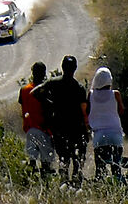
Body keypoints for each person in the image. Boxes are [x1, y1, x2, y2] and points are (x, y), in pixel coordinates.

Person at [42, 55, 89, 183]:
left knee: (63, 158)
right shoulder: (79, 88)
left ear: (62, 67)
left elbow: (35, 92)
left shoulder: (53, 83)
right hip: (76, 128)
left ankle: (64, 183)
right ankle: (76, 183)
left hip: (59, 128)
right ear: (75, 68)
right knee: (77, 159)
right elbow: (84, 111)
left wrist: (50, 103)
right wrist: (86, 129)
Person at [87, 66, 126, 179]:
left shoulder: (91, 94)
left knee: (100, 167)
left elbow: (88, 111)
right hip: (115, 134)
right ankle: (116, 183)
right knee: (116, 166)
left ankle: (100, 184)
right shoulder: (115, 94)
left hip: (99, 135)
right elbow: (121, 111)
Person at [18, 61, 54, 175]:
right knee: (46, 164)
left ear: (32, 73)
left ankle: (30, 181)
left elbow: (23, 104)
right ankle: (45, 182)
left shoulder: (24, 90)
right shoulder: (45, 90)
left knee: (32, 163)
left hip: (29, 129)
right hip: (43, 130)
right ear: (44, 73)